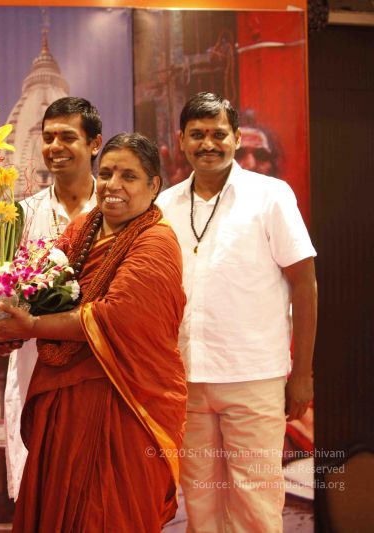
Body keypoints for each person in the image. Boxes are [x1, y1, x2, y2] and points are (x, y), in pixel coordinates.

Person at [0, 133, 187, 531]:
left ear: (154, 185)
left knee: (110, 510)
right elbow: (36, 287)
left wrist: (32, 326)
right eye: (106, 173)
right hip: (64, 401)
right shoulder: (82, 229)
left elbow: (115, 317)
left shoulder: (157, 242)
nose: (113, 185)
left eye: (129, 176)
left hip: (124, 400)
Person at [155, 92, 317, 533]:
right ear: (181, 140)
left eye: (218, 133)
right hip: (187, 379)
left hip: (254, 375)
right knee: (200, 504)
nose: (208, 143)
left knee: (255, 505)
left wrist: (302, 374)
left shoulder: (270, 196)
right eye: (197, 134)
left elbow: (305, 284)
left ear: (235, 137)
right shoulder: (164, 205)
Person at [4, 96, 102, 499]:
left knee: (94, 490)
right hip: (35, 367)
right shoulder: (21, 215)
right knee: (40, 490)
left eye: (67, 137)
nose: (55, 147)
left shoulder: (116, 211)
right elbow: (2, 289)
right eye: (48, 138)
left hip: (101, 365)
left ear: (94, 144)